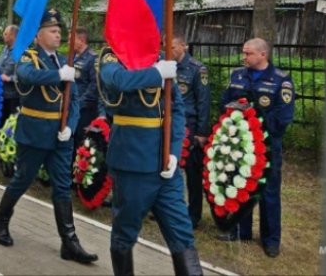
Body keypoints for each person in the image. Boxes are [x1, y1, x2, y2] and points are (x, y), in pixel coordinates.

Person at [0, 9, 97, 264]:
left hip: (59, 136)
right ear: (38, 35)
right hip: (35, 132)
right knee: (22, 180)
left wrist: (69, 126)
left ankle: (69, 242)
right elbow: (27, 76)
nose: (58, 34)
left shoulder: (63, 60)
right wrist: (58, 76)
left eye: (59, 30)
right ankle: (0, 221)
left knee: (62, 187)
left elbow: (70, 101)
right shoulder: (29, 57)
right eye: (52, 30)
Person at [97, 44, 202, 275]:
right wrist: (157, 73)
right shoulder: (112, 57)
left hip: (165, 165)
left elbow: (176, 111)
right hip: (132, 163)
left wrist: (174, 151)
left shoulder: (159, 59)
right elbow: (119, 81)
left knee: (181, 232)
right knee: (125, 231)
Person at [217, 38, 295, 259]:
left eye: (249, 53)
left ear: (263, 55)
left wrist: (254, 120)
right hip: (240, 142)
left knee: (268, 192)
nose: (244, 57)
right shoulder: (237, 76)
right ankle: (241, 231)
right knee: (241, 184)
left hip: (267, 144)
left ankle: (271, 240)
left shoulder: (281, 81)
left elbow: (283, 116)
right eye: (243, 52)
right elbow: (225, 102)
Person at [170, 34, 211, 229]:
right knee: (169, 168)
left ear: (183, 46)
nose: (169, 51)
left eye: (173, 47)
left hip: (190, 126)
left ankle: (193, 214)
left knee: (193, 174)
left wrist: (202, 132)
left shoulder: (197, 69)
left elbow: (203, 102)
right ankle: (169, 208)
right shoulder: (167, 66)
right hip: (170, 124)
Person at [0, 24, 20, 163]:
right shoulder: (5, 49)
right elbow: (0, 67)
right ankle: (1, 153)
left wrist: (10, 78)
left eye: (6, 34)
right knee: (0, 125)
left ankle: (11, 156)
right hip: (1, 95)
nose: (4, 36)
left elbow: (23, 76)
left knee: (11, 127)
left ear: (13, 35)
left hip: (13, 96)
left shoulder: (20, 52)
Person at [72, 27, 100, 148]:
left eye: (71, 39)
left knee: (81, 140)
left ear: (81, 40)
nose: (68, 42)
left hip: (84, 109)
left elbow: (94, 85)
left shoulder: (92, 58)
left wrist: (79, 103)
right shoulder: (71, 56)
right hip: (72, 105)